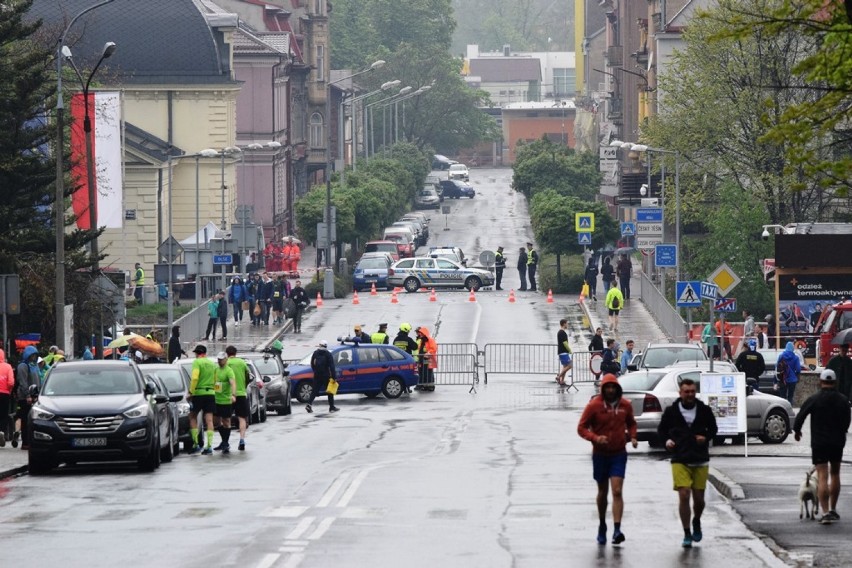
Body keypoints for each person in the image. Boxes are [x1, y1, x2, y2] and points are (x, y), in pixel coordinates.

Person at [577, 373, 638, 545]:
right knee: (603, 492)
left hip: (619, 453)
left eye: (613, 387)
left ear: (618, 388)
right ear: (603, 389)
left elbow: (631, 423)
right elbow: (581, 428)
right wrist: (595, 438)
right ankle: (602, 524)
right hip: (600, 454)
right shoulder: (594, 406)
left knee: (617, 491)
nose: (610, 390)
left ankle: (617, 529)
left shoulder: (625, 405)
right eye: (607, 387)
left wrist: (633, 436)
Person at [657, 377, 718, 548]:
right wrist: (667, 442)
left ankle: (696, 520)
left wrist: (705, 437)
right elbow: (662, 430)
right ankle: (686, 532)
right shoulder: (672, 411)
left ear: (695, 392)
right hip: (680, 457)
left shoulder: (704, 410)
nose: (690, 395)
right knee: (684, 494)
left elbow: (713, 429)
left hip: (699, 458)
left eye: (692, 391)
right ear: (680, 393)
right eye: (686, 392)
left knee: (699, 500)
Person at [793, 369, 851, 524]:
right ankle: (833, 509)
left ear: (821, 381)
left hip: (819, 442)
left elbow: (800, 416)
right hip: (837, 442)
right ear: (835, 382)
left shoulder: (814, 399)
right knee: (835, 474)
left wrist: (797, 431)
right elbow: (847, 419)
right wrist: (843, 431)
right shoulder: (843, 400)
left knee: (823, 476)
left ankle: (825, 513)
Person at [188, 344, 217, 454]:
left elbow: (195, 377)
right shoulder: (211, 363)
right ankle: (209, 446)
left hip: (199, 392)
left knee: (192, 416)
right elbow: (215, 378)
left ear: (197, 353)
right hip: (210, 393)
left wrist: (191, 391)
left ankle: (195, 443)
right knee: (209, 420)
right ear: (205, 353)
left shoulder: (197, 362)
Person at [13, 345, 40, 449]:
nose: (33, 357)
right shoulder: (23, 366)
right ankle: (25, 442)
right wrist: (27, 395)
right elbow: (23, 382)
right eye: (32, 355)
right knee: (25, 420)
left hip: (35, 397)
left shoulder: (34, 366)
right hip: (25, 398)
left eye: (35, 355)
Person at [212, 352, 236, 453]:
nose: (219, 361)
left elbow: (233, 383)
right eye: (218, 359)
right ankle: (223, 441)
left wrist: (233, 395)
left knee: (226, 422)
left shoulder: (229, 370)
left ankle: (225, 442)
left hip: (226, 400)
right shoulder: (216, 369)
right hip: (216, 399)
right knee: (216, 422)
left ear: (226, 360)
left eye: (221, 359)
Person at [308, 340, 338, 413]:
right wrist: (334, 377)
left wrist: (315, 371)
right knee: (329, 391)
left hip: (317, 375)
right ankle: (331, 407)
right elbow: (332, 366)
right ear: (326, 346)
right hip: (326, 375)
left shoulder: (315, 353)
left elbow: (312, 363)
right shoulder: (328, 354)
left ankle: (309, 404)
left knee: (314, 390)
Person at [415, 326, 438, 391]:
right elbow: (420, 349)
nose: (420, 334)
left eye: (421, 333)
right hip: (422, 359)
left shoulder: (430, 340)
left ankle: (430, 386)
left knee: (428, 372)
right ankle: (424, 385)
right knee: (422, 371)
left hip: (428, 359)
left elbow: (434, 348)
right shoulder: (422, 341)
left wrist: (428, 353)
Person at [0, 348, 14, 447]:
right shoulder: (8, 367)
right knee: (4, 415)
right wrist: (9, 390)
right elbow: (11, 382)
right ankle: (2, 431)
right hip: (5, 393)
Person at [555, 319, 572, 385]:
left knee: (565, 366)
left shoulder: (560, 332)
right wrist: (569, 350)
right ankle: (559, 376)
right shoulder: (562, 333)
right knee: (570, 365)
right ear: (564, 324)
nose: (567, 325)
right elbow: (565, 343)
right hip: (563, 352)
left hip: (562, 352)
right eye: (567, 323)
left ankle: (562, 381)